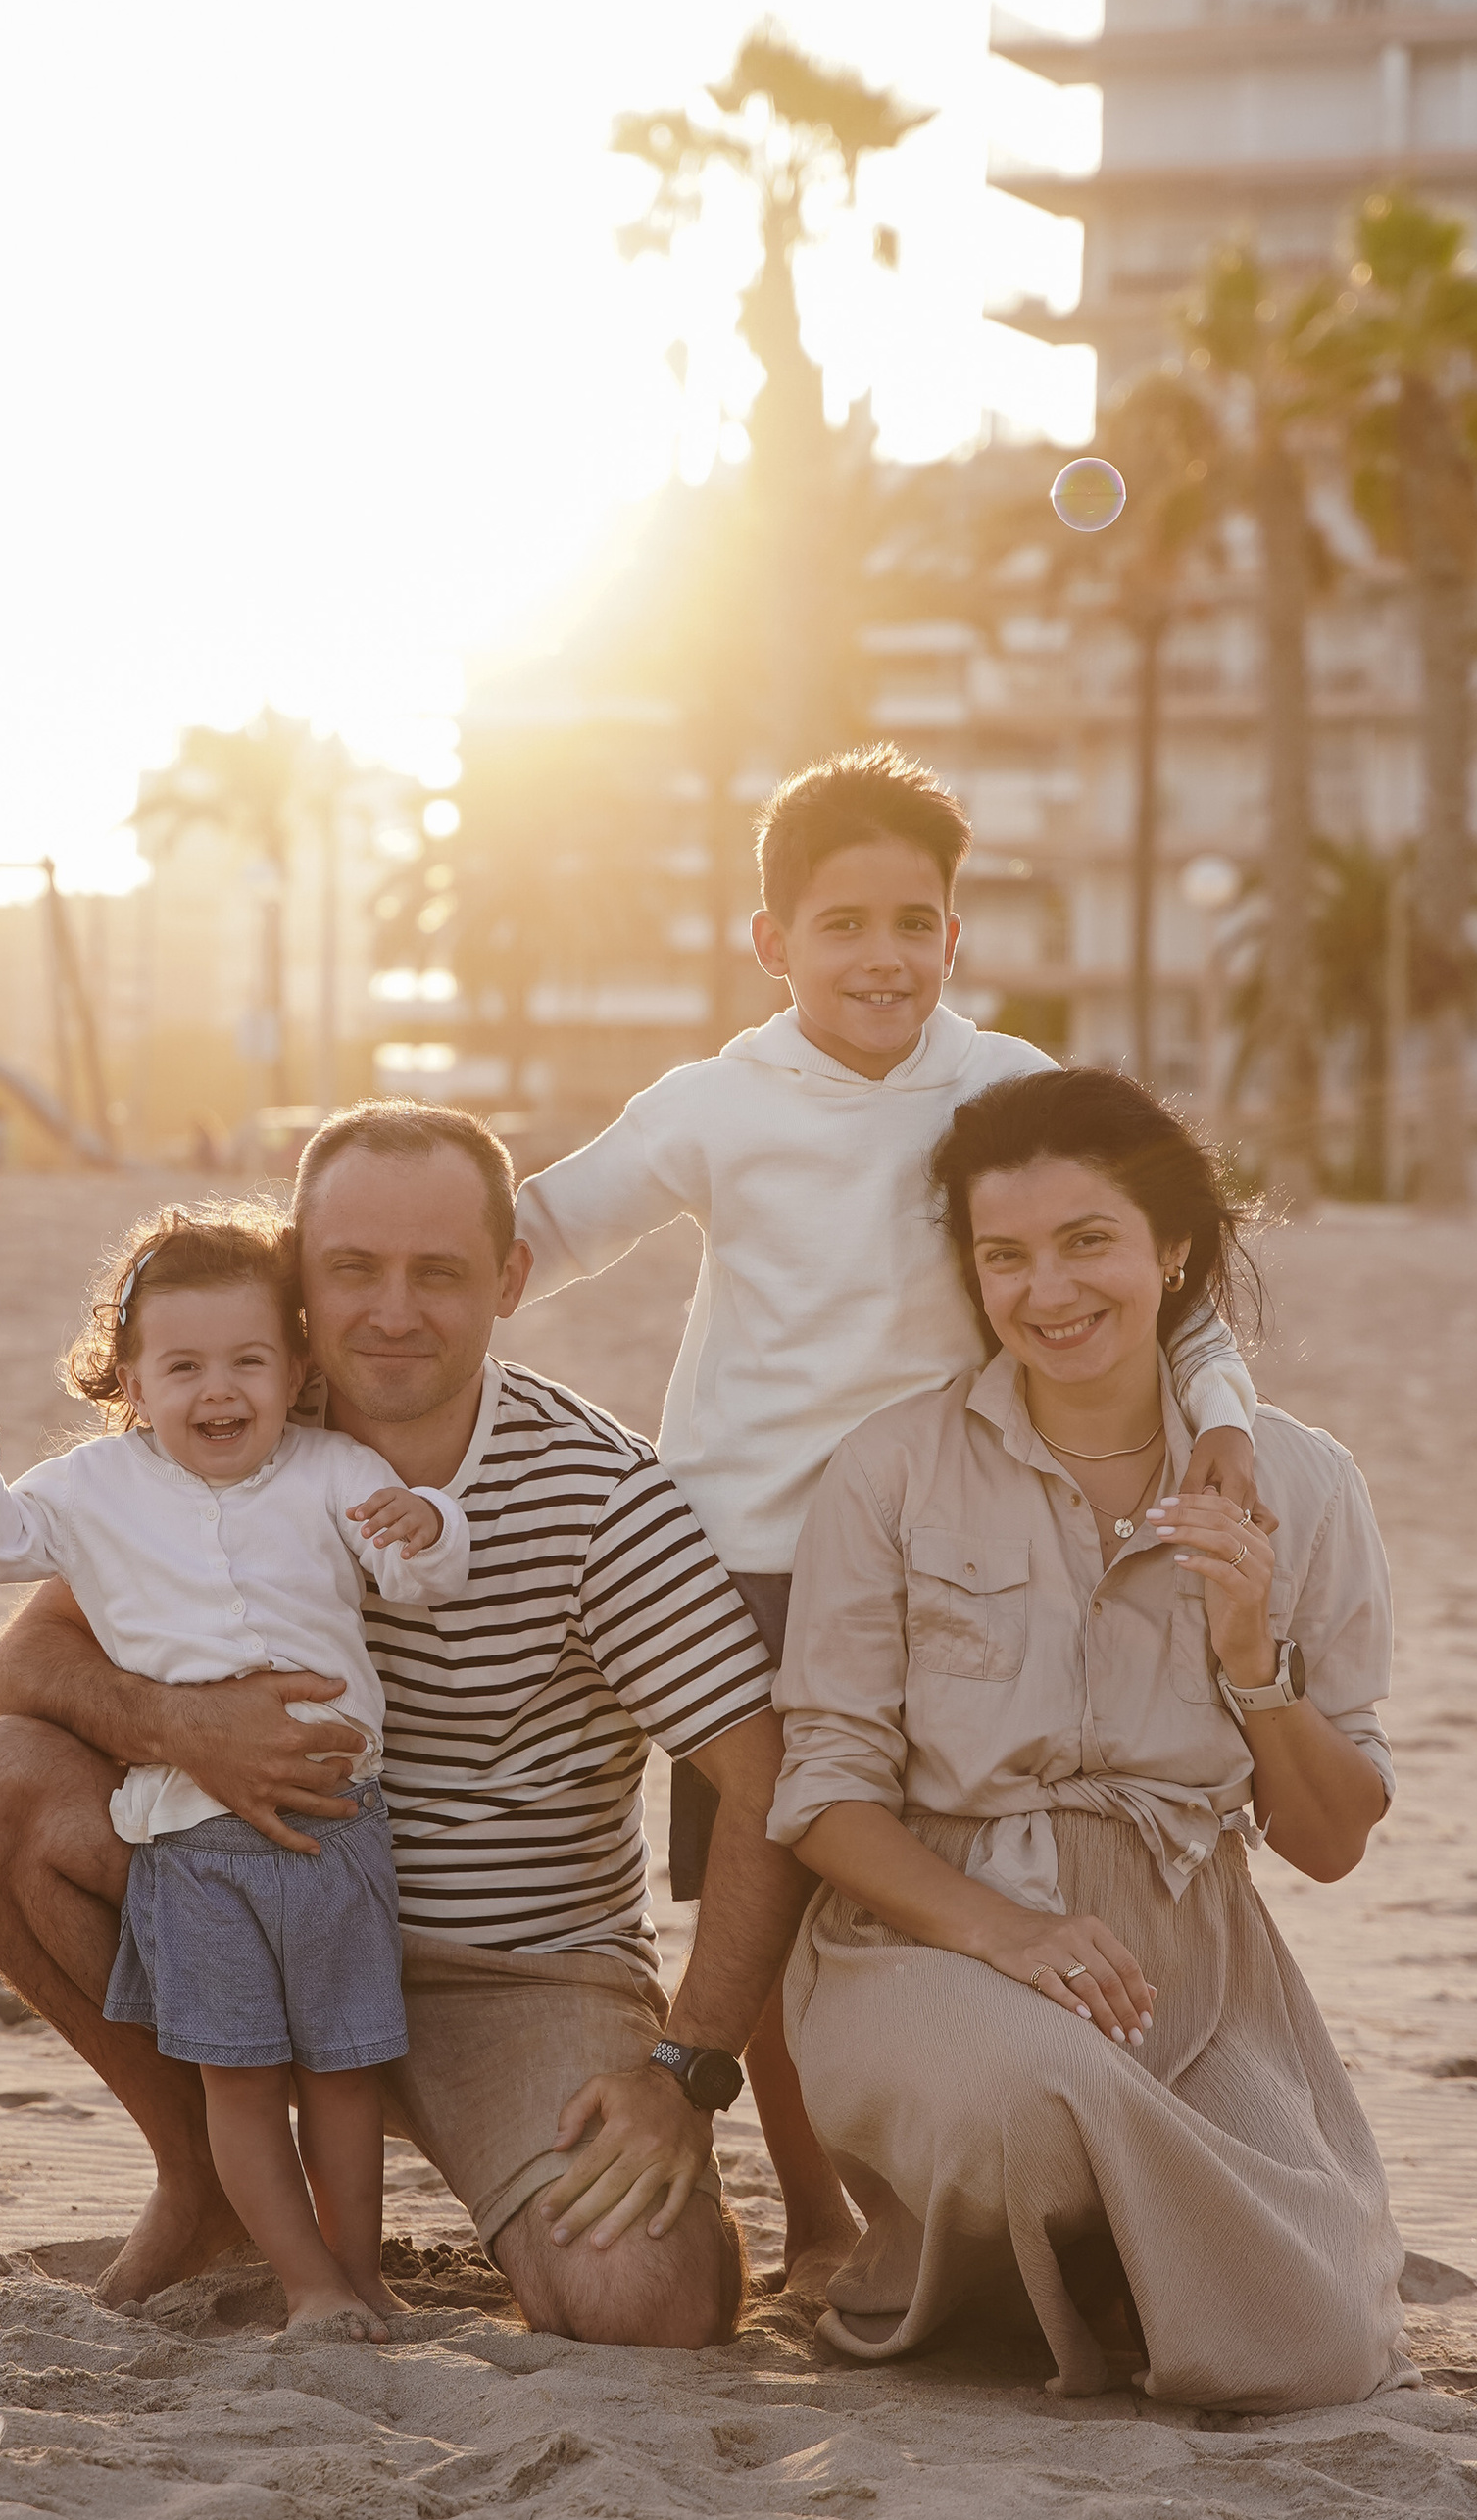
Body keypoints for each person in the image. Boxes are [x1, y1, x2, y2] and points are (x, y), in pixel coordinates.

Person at [0, 1104, 822, 2347]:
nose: (391, 1311)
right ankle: (203, 2184)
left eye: (438, 1273)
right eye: (352, 1269)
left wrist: (688, 2071)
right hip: (249, 1892)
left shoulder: (605, 1499)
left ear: (509, 1279)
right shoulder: (227, 1428)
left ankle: (505, 2179)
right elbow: (25, 1660)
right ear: (298, 1275)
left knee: (645, 2306)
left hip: (512, 1979)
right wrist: (184, 1728)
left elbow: (763, 1783)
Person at [509, 745, 1261, 2179]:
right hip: (752, 1561)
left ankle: (951, 2170)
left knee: (948, 1868)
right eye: (842, 925)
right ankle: (814, 2207)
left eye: (914, 924)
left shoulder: (1007, 1085)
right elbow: (537, 1237)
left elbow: (1168, 1278)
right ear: (772, 941)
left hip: (964, 1549)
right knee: (772, 1894)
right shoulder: (711, 1104)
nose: (882, 957)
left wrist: (1219, 1412)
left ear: (954, 939)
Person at [768, 1066, 1408, 2412]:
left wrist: (1254, 1667)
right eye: (1006, 1257)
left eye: (1088, 1242)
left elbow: (1334, 1841)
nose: (1048, 1293)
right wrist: (1006, 1936)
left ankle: (1133, 2256)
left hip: (1188, 1957)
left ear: (1172, 1251)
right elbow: (824, 1795)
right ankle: (1108, 2242)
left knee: (1315, 2351)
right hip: (924, 1938)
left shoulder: (1302, 1481)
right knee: (1031, 2100)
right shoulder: (893, 1469)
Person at [0, 1206, 469, 2345]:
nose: (220, 1391)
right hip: (191, 1847)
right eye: (184, 1367)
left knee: (349, 2075)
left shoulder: (331, 1468)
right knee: (244, 2082)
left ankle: (363, 2281)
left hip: (338, 1831)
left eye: (249, 1362)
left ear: (296, 1366)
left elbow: (413, 1579)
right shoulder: (93, 1488)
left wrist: (430, 1523)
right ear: (128, 1379)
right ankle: (304, 2282)